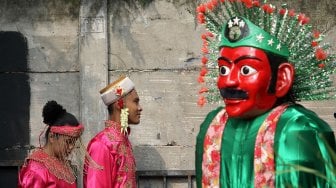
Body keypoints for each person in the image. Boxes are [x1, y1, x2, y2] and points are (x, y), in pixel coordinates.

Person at [195, 0, 336, 187]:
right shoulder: (212, 127)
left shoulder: (299, 129)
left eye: (246, 70)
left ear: (281, 79)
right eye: (223, 69)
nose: (228, 81)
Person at [84, 75, 142, 188]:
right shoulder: (101, 145)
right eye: (136, 102)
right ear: (120, 104)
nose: (140, 108)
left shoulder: (124, 141)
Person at [18, 100, 84, 188]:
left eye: (74, 142)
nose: (72, 147)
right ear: (52, 136)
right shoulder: (35, 170)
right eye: (68, 142)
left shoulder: (62, 163)